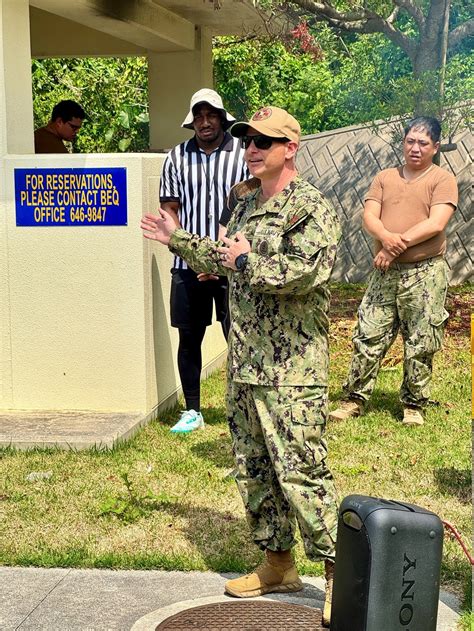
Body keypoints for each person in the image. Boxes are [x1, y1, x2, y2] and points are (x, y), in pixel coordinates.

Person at [142, 105, 341, 627]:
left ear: (290, 150)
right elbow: (225, 254)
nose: (252, 148)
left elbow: (307, 271)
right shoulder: (246, 203)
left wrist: (246, 262)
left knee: (301, 473)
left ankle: (342, 576)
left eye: (263, 142)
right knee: (255, 471)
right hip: (247, 364)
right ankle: (278, 564)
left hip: (292, 370)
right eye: (248, 140)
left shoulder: (311, 207)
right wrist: (177, 239)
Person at [329, 116, 458, 426]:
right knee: (368, 333)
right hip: (385, 273)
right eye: (410, 141)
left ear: (435, 147)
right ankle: (353, 399)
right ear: (403, 143)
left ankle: (413, 404)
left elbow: (436, 223)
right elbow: (369, 217)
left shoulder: (442, 179)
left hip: (425, 272)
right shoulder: (385, 177)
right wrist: (386, 239)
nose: (415, 148)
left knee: (421, 339)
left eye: (423, 143)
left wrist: (393, 246)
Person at [159, 88, 249, 434]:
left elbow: (249, 208)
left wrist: (221, 260)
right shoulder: (177, 157)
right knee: (189, 337)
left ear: (222, 118)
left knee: (238, 336)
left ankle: (241, 408)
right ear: (192, 120)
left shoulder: (242, 154)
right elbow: (170, 212)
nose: (205, 122)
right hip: (188, 269)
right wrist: (194, 257)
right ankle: (192, 411)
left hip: (232, 266)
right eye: (199, 115)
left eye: (212, 115)